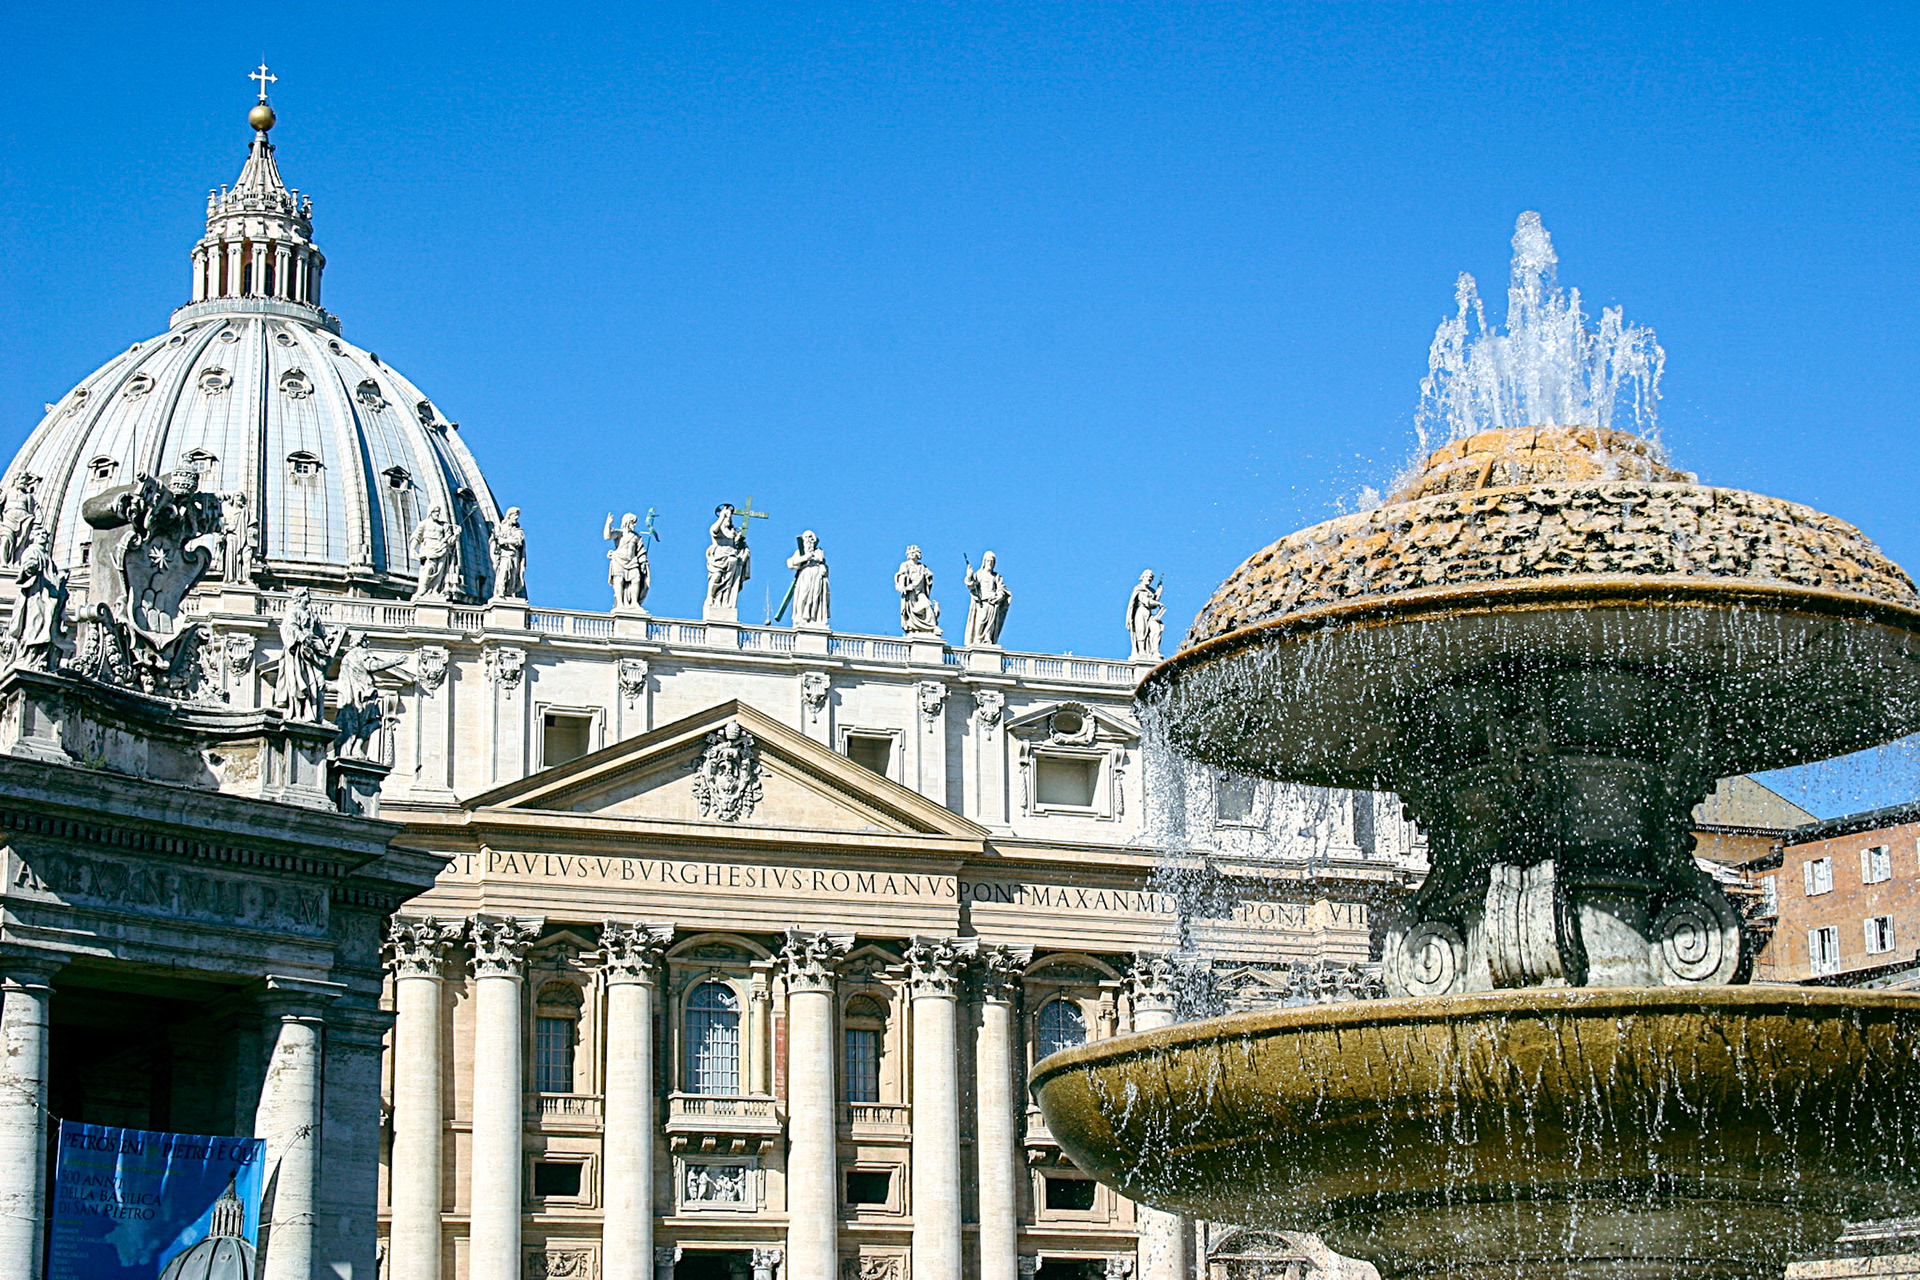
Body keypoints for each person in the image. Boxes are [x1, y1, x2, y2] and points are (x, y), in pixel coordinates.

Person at [275, 586, 341, 722]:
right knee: (299, 684)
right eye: (306, 594)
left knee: (320, 684)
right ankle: (298, 715)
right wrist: (301, 636)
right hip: (299, 653)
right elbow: (291, 627)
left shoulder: (314, 616)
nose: (309, 596)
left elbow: (322, 635)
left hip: (314, 653)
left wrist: (332, 637)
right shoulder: (293, 613)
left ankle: (318, 716)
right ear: (299, 597)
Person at [6, 528, 66, 672]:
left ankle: (41, 657)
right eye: (39, 534)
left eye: (44, 534)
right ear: (33, 537)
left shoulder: (47, 557)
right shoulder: (31, 551)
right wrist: (30, 568)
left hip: (49, 599)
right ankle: (30, 657)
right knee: (35, 625)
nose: (42, 536)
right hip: (37, 596)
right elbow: (27, 567)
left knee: (46, 625)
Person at [705, 504, 750, 616]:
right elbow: (713, 530)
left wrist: (741, 544)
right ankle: (711, 597)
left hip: (732, 559)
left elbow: (739, 545)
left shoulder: (733, 532)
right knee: (716, 576)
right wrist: (721, 517)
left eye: (730, 517)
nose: (729, 519)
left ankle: (725, 602)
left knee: (729, 583)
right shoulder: (718, 529)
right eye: (727, 517)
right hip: (719, 558)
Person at [410, 505, 461, 601]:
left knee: (439, 572)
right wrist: (412, 548)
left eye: (438, 511)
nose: (437, 514)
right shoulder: (424, 524)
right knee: (428, 569)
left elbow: (449, 541)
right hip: (428, 550)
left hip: (441, 550)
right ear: (430, 512)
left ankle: (435, 591)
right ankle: (423, 591)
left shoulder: (444, 526)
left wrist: (456, 535)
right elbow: (417, 536)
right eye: (435, 511)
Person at [963, 551, 1011, 646]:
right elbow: (971, 585)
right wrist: (969, 576)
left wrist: (999, 595)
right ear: (984, 562)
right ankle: (978, 639)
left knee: (991, 623)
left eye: (992, 562)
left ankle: (987, 638)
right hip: (982, 602)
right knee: (981, 620)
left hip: (992, 602)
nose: (990, 564)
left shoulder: (996, 577)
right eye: (988, 561)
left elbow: (1001, 588)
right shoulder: (979, 574)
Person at [604, 512, 650, 610]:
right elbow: (607, 536)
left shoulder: (636, 537)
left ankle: (634, 602)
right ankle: (620, 603)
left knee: (636, 578)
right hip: (619, 560)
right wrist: (608, 523)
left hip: (632, 561)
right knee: (619, 580)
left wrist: (642, 562)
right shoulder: (619, 533)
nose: (634, 525)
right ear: (627, 522)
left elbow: (641, 551)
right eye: (633, 522)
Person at [786, 531, 830, 628]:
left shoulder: (818, 552)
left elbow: (823, 565)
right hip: (805, 575)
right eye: (806, 537)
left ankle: (813, 617)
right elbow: (790, 563)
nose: (809, 540)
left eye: (810, 537)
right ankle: (800, 616)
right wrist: (805, 558)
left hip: (817, 576)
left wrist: (823, 567)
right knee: (803, 595)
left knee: (815, 597)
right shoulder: (800, 552)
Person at [895, 545, 940, 635]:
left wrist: (928, 576)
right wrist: (903, 586)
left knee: (927, 606)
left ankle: (932, 627)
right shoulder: (905, 565)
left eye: (913, 552)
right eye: (910, 553)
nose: (911, 554)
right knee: (912, 611)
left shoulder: (922, 567)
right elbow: (902, 575)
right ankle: (914, 628)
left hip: (920, 591)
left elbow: (928, 578)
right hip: (911, 590)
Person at [1127, 569, 1165, 661]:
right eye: (1147, 576)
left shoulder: (1151, 590)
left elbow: (1154, 603)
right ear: (1142, 577)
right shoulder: (1139, 588)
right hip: (1141, 612)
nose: (1149, 579)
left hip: (1149, 613)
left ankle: (1155, 651)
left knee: (1156, 628)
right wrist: (1157, 603)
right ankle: (1142, 652)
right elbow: (1145, 601)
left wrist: (1159, 592)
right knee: (1141, 631)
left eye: (1151, 577)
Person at [490, 507, 527, 600]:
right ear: (509, 516)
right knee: (504, 572)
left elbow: (518, 541)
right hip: (504, 555)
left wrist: (505, 541)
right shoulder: (499, 528)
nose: (516, 519)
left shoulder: (517, 531)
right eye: (515, 516)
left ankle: (509, 593)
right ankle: (500, 592)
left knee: (513, 575)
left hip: (514, 556)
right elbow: (494, 541)